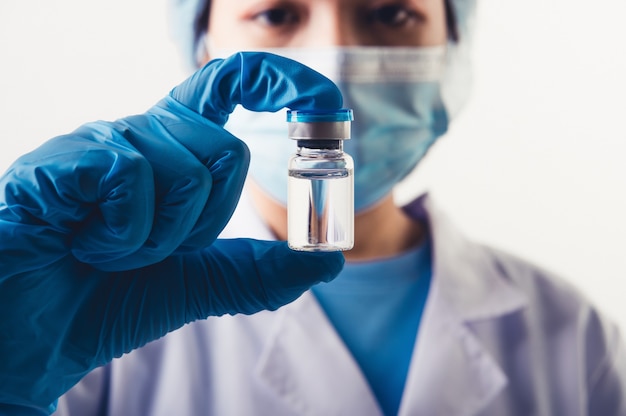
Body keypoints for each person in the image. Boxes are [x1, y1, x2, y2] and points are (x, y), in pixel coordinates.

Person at [0, 0, 624, 415]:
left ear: (453, 51)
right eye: (277, 12)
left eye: (390, 12)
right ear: (202, 48)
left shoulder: (571, 334)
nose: (336, 61)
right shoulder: (81, 310)